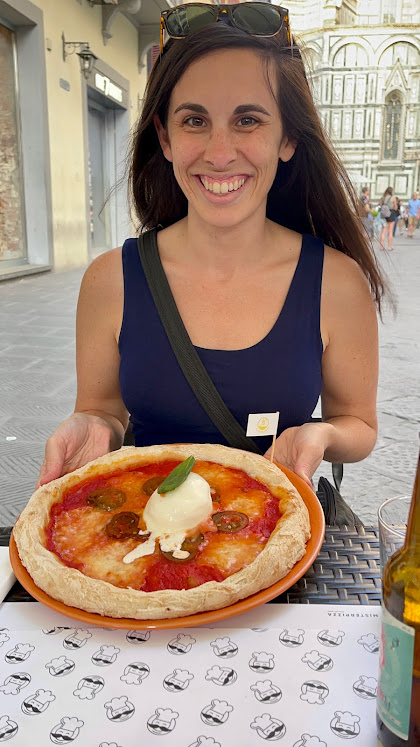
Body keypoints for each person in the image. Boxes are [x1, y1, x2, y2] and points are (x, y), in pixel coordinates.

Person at [36, 4, 386, 493]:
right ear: (165, 137)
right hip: (142, 550)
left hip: (275, 538)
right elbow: (102, 409)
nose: (220, 154)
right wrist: (93, 425)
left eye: (247, 120)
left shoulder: (337, 282)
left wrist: (321, 434)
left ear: (287, 138)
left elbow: (358, 424)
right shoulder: (111, 280)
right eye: (195, 121)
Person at [379, 186, 398, 251]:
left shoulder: (383, 198)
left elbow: (380, 205)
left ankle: (381, 246)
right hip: (391, 214)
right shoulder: (393, 198)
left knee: (383, 231)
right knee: (390, 231)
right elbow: (395, 207)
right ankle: (389, 247)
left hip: (384, 214)